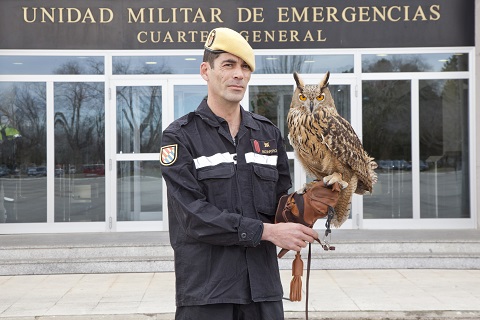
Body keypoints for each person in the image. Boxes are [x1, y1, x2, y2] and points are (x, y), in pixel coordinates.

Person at [160, 27, 319, 320]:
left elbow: (281, 206)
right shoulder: (181, 137)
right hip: (207, 293)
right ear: (205, 71)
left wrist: (311, 203)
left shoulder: (268, 133)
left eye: (245, 67)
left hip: (263, 291)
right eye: (228, 65)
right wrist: (267, 231)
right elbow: (193, 217)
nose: (239, 74)